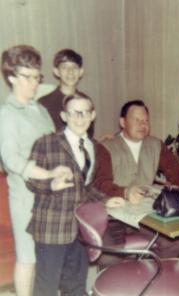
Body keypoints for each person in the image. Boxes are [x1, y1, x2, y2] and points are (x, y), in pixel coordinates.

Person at [0, 45, 72, 296]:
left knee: (48, 257)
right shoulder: (7, 114)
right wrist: (48, 174)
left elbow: (54, 145)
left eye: (36, 76)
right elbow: (12, 160)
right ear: (11, 77)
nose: (34, 82)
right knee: (28, 257)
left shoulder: (40, 110)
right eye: (27, 76)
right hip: (27, 199)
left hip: (51, 195)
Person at [93, 99, 179, 258]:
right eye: (136, 120)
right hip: (113, 214)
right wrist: (124, 192)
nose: (142, 124)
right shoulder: (106, 146)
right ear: (123, 122)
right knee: (109, 255)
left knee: (177, 241)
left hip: (145, 214)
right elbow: (100, 182)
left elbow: (175, 171)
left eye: (146, 120)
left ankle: (153, 274)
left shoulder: (155, 144)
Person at [26, 94, 99, 296]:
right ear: (63, 116)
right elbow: (30, 179)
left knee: (76, 284)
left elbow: (86, 187)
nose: (80, 117)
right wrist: (51, 183)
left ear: (93, 115)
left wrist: (108, 200)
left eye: (85, 112)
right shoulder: (46, 142)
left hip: (79, 229)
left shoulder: (92, 147)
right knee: (46, 287)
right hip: (52, 228)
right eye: (73, 112)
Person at [39, 48, 87, 131]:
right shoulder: (45, 103)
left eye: (74, 68)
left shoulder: (85, 100)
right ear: (56, 72)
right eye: (65, 67)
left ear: (81, 72)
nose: (70, 72)